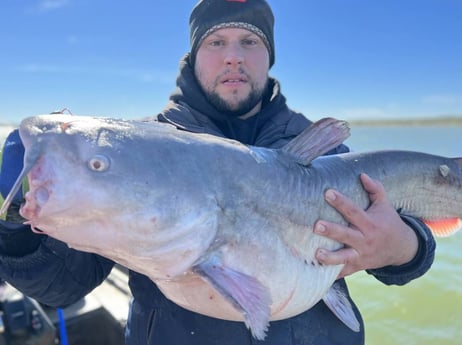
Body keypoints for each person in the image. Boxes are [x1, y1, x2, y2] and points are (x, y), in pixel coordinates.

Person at [0, 0, 435, 344]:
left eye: (249, 42)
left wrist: (404, 246)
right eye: (216, 42)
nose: (233, 57)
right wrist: (13, 216)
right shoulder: (144, 152)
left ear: (269, 57)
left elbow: (409, 241)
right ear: (193, 56)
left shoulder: (324, 152)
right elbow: (58, 288)